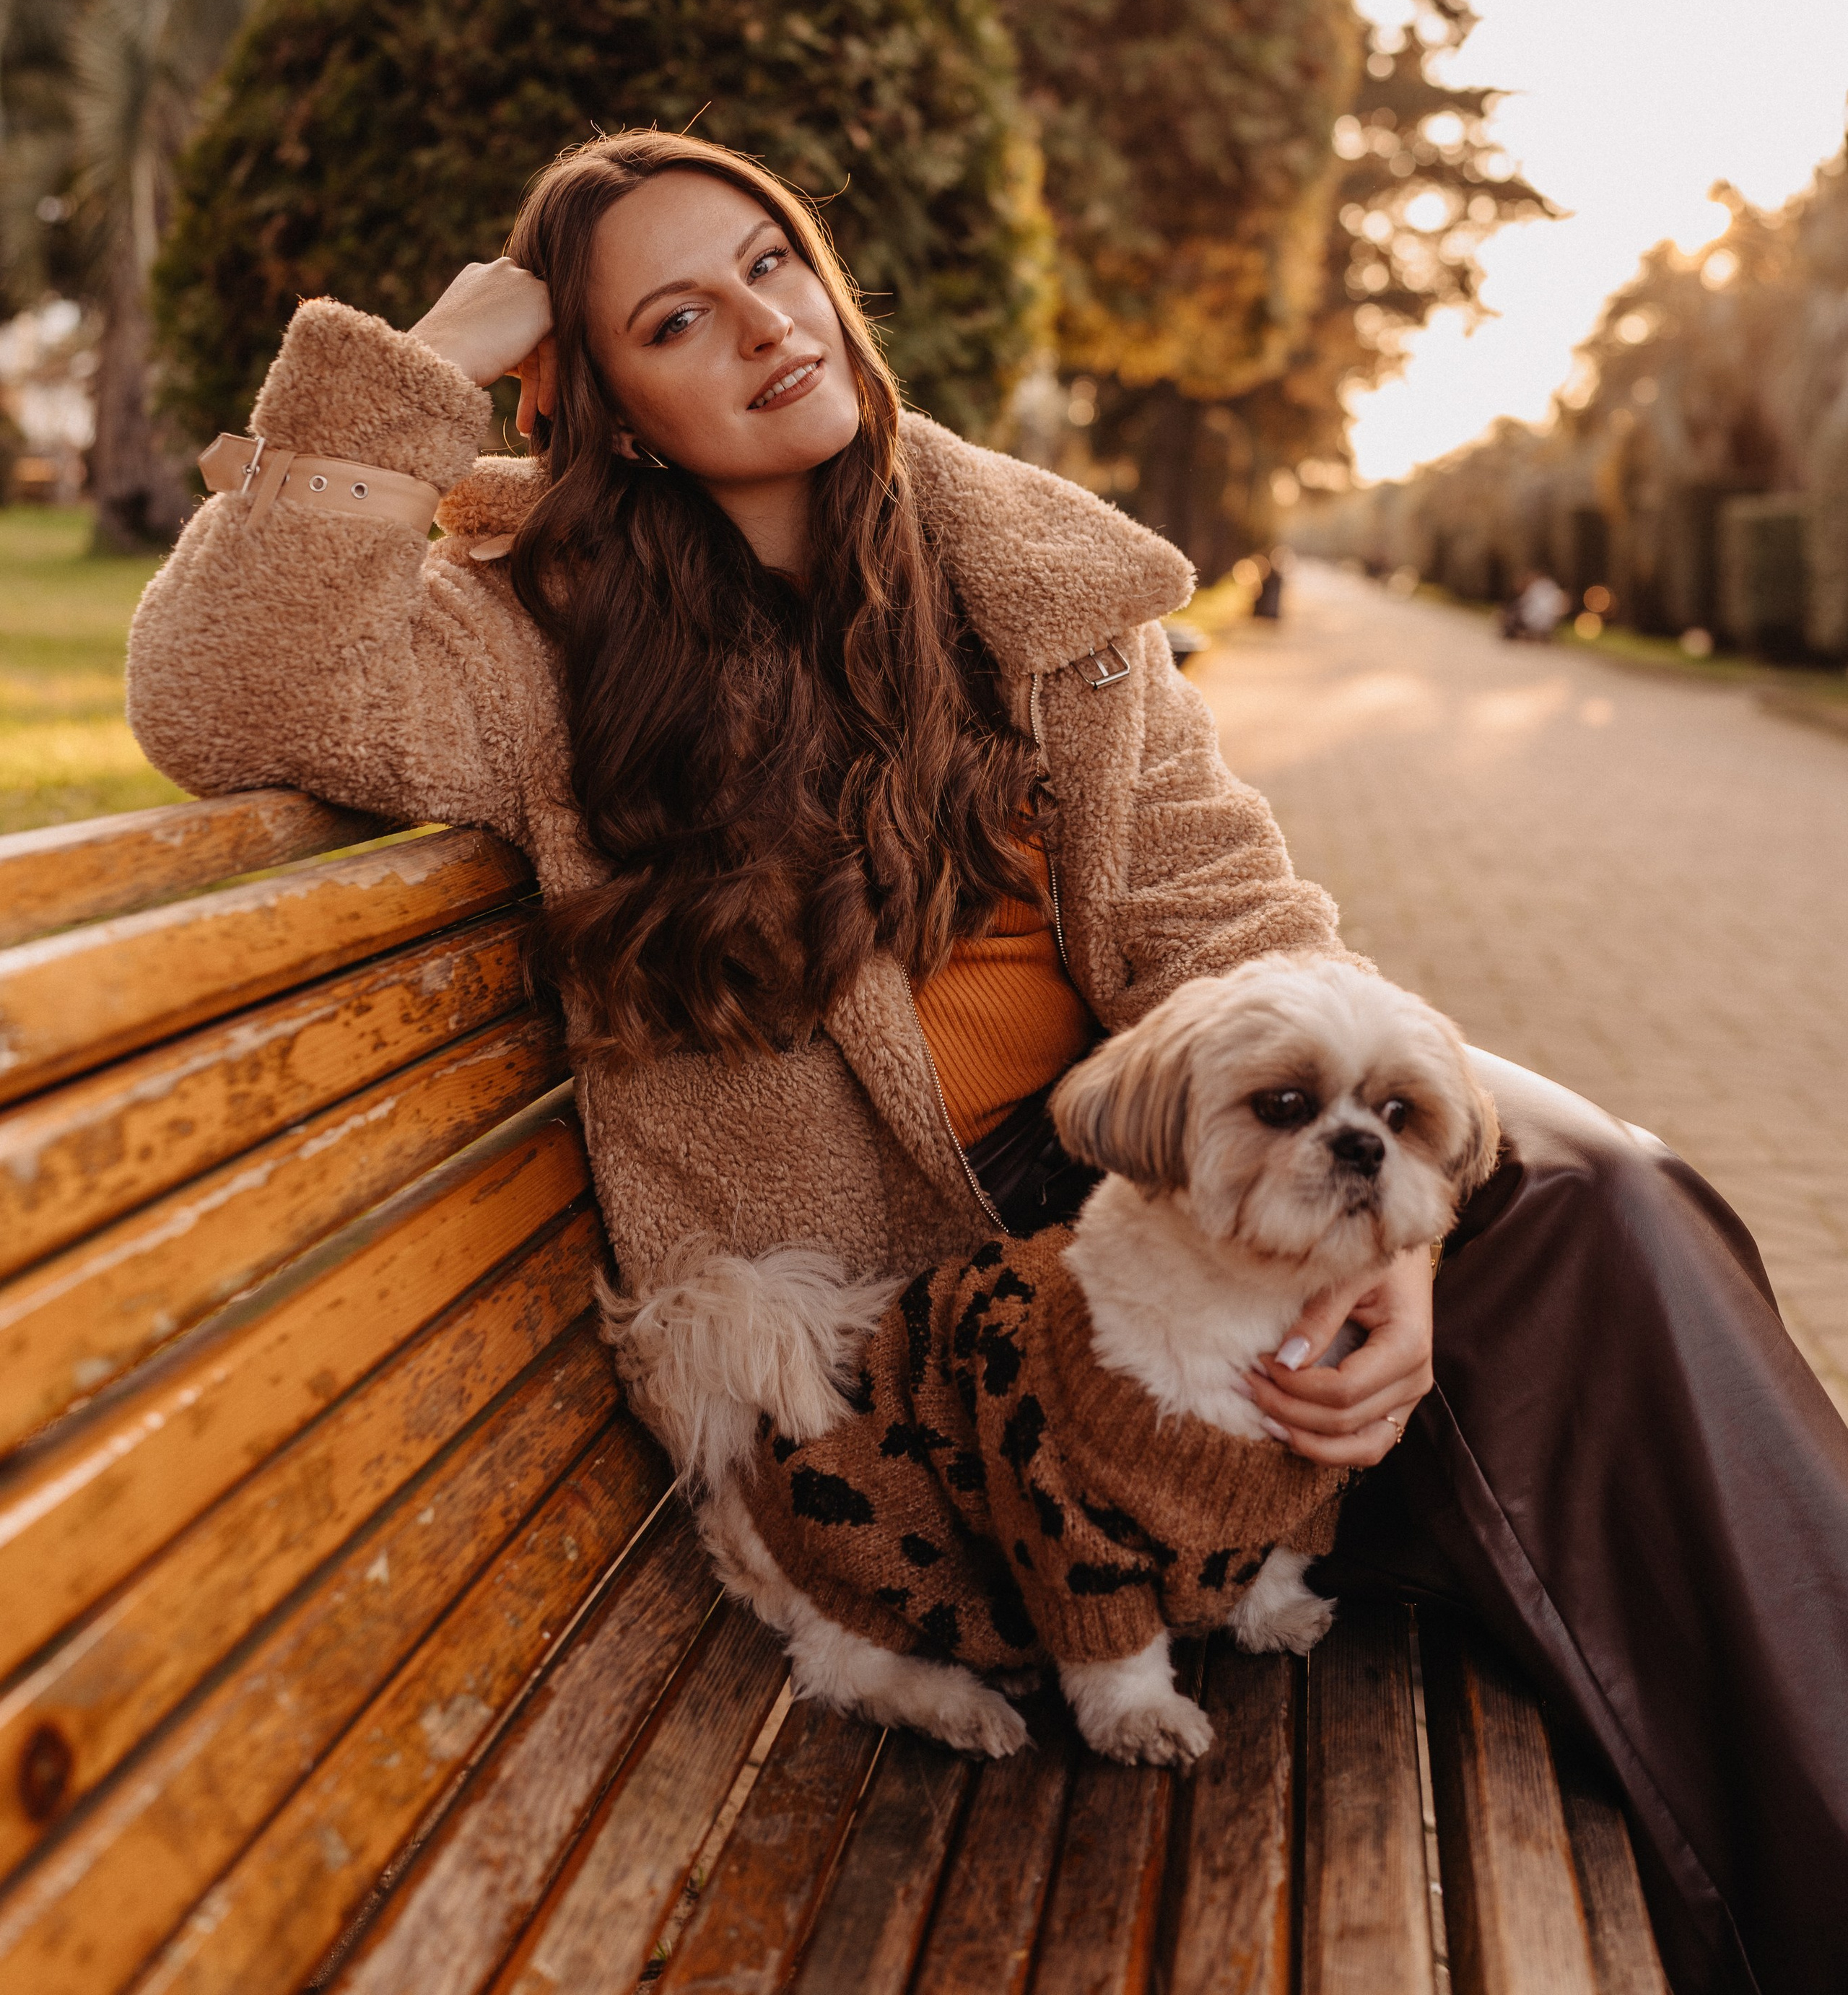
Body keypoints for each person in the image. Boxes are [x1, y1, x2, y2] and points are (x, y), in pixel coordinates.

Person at [128, 132, 1847, 1995]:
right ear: (603, 405)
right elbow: (221, 696)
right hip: (947, 1314)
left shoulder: (1023, 579)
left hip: (1170, 1175)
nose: (765, 326)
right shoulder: (546, 643)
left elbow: (1227, 910)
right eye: (677, 319)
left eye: (774, 263)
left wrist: (1400, 1248)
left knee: (1614, 1204)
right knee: (1587, 1342)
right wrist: (427, 355)